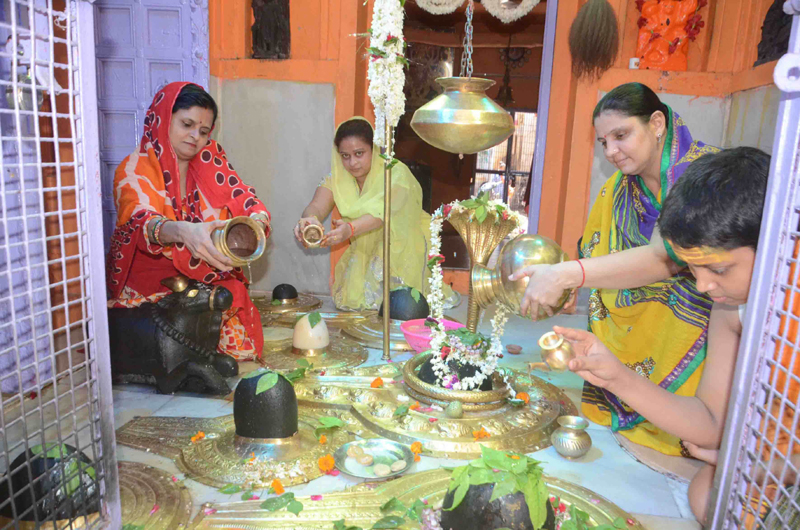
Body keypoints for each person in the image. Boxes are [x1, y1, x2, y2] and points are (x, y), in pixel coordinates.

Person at [554, 147, 784, 524]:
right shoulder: (731, 310)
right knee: (706, 497)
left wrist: (763, 468)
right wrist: (617, 377)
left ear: (776, 242)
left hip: (780, 463)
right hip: (770, 458)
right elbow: (710, 423)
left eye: (719, 270)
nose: (703, 286)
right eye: (692, 269)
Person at [510, 83, 719, 455]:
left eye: (621, 136)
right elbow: (596, 243)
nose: (610, 152)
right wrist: (570, 280)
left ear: (657, 124)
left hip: (702, 314)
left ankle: (691, 424)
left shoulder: (702, 175)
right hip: (637, 314)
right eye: (604, 142)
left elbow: (663, 258)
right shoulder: (620, 188)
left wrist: (566, 274)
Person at [107, 82, 270, 361]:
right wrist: (183, 232)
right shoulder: (135, 169)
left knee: (232, 296)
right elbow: (142, 222)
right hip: (152, 285)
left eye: (203, 131)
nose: (195, 136)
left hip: (200, 276)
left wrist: (257, 222)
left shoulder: (209, 161)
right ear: (163, 119)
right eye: (187, 124)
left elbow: (244, 199)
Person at [293, 117, 444, 311]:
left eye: (359, 153)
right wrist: (309, 221)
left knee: (400, 309)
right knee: (361, 308)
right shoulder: (338, 178)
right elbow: (316, 205)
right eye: (345, 156)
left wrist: (350, 229)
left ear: (374, 149)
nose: (352, 162)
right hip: (365, 251)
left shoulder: (395, 173)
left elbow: (382, 213)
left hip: (402, 247)